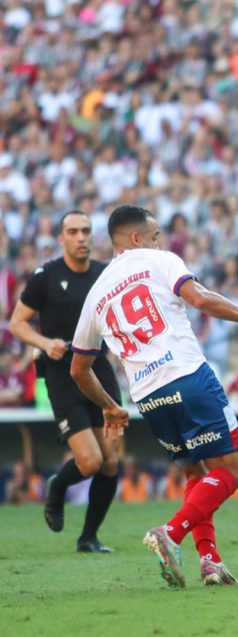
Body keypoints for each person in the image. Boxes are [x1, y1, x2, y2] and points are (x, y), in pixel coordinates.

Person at [69, 205, 238, 587]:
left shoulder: (96, 293)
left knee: (195, 471)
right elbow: (202, 300)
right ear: (137, 238)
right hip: (188, 376)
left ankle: (210, 562)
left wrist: (110, 406)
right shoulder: (160, 261)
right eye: (155, 235)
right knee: (233, 471)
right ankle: (170, 534)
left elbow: (78, 369)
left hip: (147, 395)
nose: (161, 241)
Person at [10, 210, 121, 553]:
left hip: (98, 371)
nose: (81, 237)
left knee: (111, 460)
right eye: (73, 231)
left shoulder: (106, 275)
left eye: (86, 231)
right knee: (90, 462)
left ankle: (89, 537)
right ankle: (58, 486)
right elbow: (17, 323)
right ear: (61, 238)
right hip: (61, 375)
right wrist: (45, 344)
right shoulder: (46, 276)